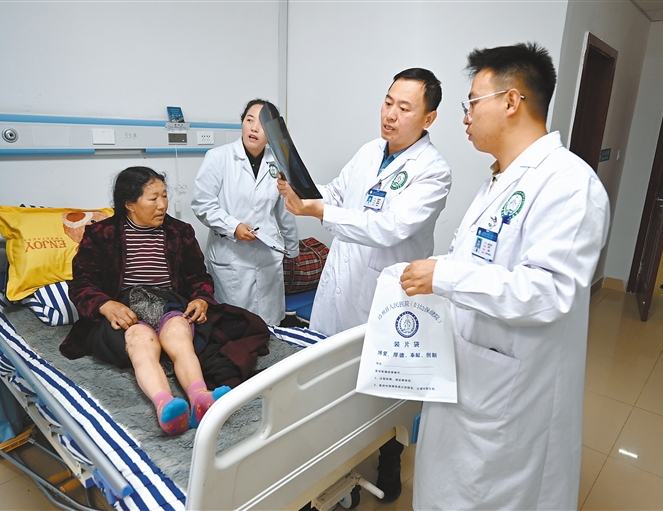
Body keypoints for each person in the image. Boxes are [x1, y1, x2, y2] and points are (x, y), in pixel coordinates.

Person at [400, 43, 610, 510]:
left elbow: (548, 291)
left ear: (511, 101)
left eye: (473, 103)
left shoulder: (569, 185)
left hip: (510, 398)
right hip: (470, 376)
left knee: (491, 494)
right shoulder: (501, 178)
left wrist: (445, 276)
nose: (466, 117)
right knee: (446, 487)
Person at [278, 68, 451, 501]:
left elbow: (390, 228)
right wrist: (303, 191)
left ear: (428, 118)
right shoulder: (370, 151)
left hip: (384, 298)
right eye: (388, 102)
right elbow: (337, 194)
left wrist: (319, 211)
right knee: (333, 383)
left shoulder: (433, 171)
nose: (390, 114)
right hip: (340, 285)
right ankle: (334, 465)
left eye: (404, 108)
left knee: (386, 389)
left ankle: (389, 458)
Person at [68, 166, 229, 436]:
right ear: (129, 204)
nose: (162, 205)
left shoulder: (180, 232)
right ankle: (165, 405)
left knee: (178, 332)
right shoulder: (102, 234)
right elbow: (82, 283)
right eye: (153, 198)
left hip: (169, 303)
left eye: (164, 196)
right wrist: (105, 305)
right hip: (124, 307)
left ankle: (200, 398)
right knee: (140, 339)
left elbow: (198, 276)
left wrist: (201, 298)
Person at [191, 99, 299, 325]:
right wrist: (234, 227)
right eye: (249, 120)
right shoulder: (218, 157)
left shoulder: (279, 162)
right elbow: (202, 204)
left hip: (268, 256)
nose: (254, 128)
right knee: (234, 325)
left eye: (263, 124)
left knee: (270, 325)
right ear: (242, 123)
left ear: (273, 132)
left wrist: (291, 250)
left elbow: (285, 209)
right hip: (232, 257)